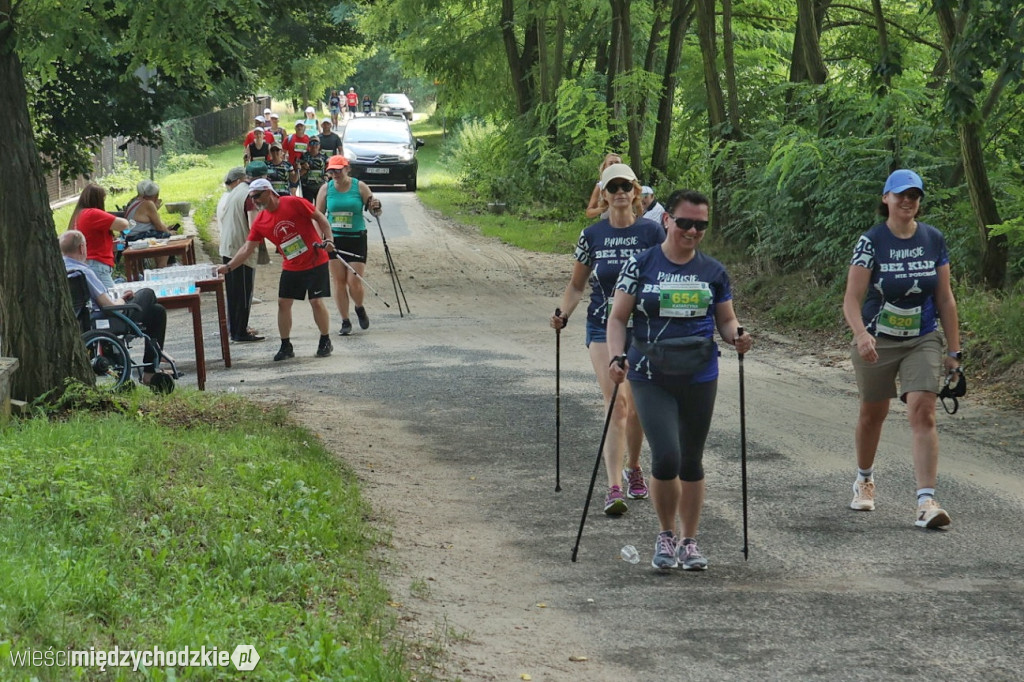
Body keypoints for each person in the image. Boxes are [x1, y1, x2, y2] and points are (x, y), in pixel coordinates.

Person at [607, 189, 752, 570]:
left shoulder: (713, 272)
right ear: (667, 219)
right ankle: (665, 535)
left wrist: (737, 335)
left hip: (700, 373)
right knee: (667, 456)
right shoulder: (641, 264)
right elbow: (618, 317)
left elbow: (725, 319)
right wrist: (617, 356)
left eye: (701, 225)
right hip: (650, 373)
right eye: (685, 222)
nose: (692, 231)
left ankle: (689, 541)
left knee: (691, 460)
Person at [842, 169, 962, 529]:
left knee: (923, 410)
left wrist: (954, 352)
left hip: (923, 337)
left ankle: (926, 502)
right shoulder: (871, 241)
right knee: (872, 413)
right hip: (877, 340)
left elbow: (944, 297)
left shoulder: (933, 239)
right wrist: (861, 334)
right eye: (900, 195)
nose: (908, 201)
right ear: (886, 198)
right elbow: (851, 297)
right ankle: (864, 479)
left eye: (914, 196)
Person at [550, 163, 664, 514]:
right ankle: (613, 487)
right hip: (602, 325)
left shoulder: (652, 234)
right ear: (603, 192)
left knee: (636, 408)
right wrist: (563, 312)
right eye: (612, 187)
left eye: (625, 186)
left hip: (643, 327)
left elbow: (668, 273)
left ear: (634, 191)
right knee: (616, 402)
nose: (619, 193)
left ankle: (634, 467)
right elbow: (576, 285)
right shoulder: (592, 235)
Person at [218, 178, 335, 361]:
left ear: (269, 192)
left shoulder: (294, 203)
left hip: (315, 260)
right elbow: (247, 248)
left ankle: (325, 339)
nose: (255, 201)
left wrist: (328, 240)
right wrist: (228, 267)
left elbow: (320, 218)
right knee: (283, 302)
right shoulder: (260, 221)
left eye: (257, 196)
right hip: (291, 264)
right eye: (252, 197)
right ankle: (285, 345)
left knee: (316, 301)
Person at [61, 229, 170, 385]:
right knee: (148, 293)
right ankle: (149, 372)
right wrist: (123, 300)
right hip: (108, 318)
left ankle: (150, 371)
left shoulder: (61, 270)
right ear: (82, 248)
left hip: (83, 318)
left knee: (157, 312)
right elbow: (108, 305)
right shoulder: (83, 271)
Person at [315, 155, 381, 336]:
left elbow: (375, 209)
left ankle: (359, 307)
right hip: (334, 240)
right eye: (331, 170)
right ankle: (345, 320)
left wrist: (376, 206)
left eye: (338, 169)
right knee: (339, 281)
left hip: (356, 238)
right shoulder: (325, 189)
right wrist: (320, 237)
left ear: (347, 168)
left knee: (354, 281)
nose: (335, 173)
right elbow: (317, 215)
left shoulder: (359, 186)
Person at [216, 167, 264, 343]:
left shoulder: (233, 194)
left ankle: (234, 329)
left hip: (228, 246)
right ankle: (240, 332)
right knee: (243, 294)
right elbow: (254, 226)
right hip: (240, 248)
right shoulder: (249, 196)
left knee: (233, 293)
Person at [67, 182, 131, 289]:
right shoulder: (93, 213)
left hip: (87, 262)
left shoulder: (79, 214)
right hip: (97, 265)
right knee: (111, 300)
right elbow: (124, 224)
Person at [585, 153, 622, 219]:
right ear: (605, 167)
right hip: (607, 223)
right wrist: (601, 209)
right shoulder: (601, 185)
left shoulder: (630, 183)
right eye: (611, 163)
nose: (614, 165)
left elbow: (638, 206)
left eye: (617, 163)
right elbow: (589, 213)